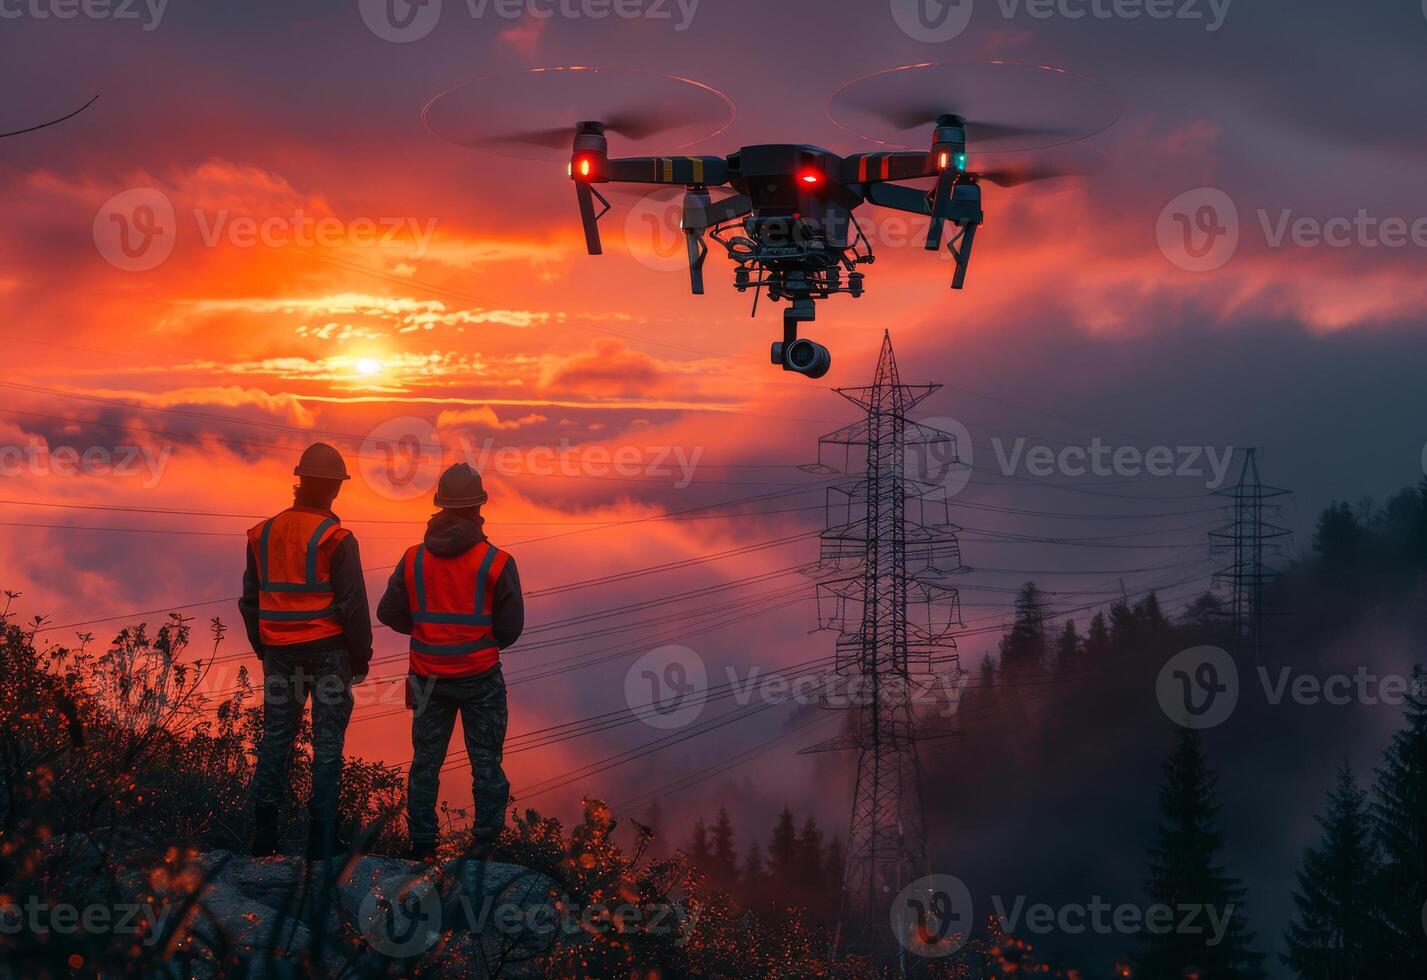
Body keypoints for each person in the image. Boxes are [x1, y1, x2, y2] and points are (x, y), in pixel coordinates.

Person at [377, 462, 524, 860]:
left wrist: (428, 631)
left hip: (427, 677)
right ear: (478, 508)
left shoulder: (412, 559)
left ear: (439, 508)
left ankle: (422, 844)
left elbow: (388, 612)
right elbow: (511, 628)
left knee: (425, 763)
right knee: (486, 765)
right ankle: (484, 846)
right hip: (481, 679)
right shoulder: (496, 561)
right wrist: (474, 641)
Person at [239, 442, 373, 859]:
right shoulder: (336, 538)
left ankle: (264, 835)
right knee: (328, 743)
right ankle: (321, 841)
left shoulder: (262, 533)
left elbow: (249, 600)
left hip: (279, 652)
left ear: (299, 482)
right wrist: (360, 655)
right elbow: (353, 604)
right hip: (328, 652)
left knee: (276, 738)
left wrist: (264, 647)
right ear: (335, 488)